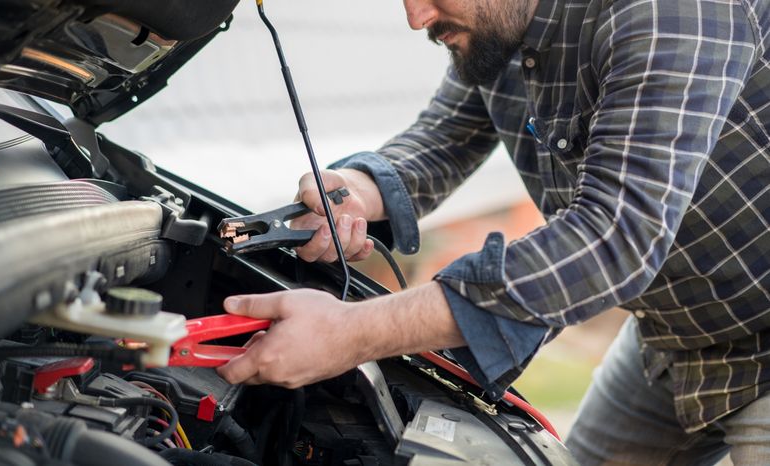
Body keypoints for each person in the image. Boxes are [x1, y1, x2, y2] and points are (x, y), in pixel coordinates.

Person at [216, 0, 770, 463]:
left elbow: (612, 239)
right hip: (670, 334)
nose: (416, 17)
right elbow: (444, 138)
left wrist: (352, 333)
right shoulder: (501, 27)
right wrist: (355, 189)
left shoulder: (670, 11)